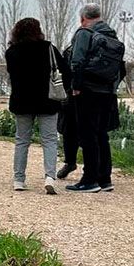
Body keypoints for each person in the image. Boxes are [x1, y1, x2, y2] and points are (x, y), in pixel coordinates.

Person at [66, 3, 125, 193]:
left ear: (83, 18)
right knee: (101, 134)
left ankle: (89, 179)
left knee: (87, 134)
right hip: (107, 92)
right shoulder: (111, 35)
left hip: (88, 91)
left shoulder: (85, 33)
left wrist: (75, 86)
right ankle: (105, 178)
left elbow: (77, 60)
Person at [5, 17, 67, 194]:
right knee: (49, 140)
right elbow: (64, 70)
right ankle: (49, 177)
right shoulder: (48, 49)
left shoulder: (12, 52)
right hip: (47, 100)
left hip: (21, 101)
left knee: (21, 140)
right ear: (38, 30)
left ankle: (18, 179)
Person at [57, 41, 80, 180]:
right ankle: (70, 162)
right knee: (69, 130)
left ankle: (70, 163)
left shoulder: (71, 50)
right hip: (74, 94)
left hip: (73, 94)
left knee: (69, 131)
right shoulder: (70, 50)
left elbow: (63, 71)